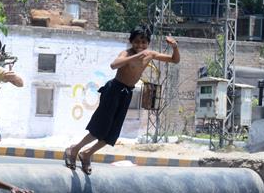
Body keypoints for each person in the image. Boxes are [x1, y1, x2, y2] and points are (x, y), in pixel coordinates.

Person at [65, 27, 180, 175]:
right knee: (100, 128)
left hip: (126, 94)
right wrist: (134, 57)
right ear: (131, 42)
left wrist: (175, 46)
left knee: (112, 133)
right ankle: (73, 150)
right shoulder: (127, 54)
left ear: (148, 43)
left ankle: (87, 154)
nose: (140, 45)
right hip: (114, 90)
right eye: (137, 42)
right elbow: (114, 65)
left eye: (144, 42)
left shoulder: (150, 54)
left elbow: (174, 60)